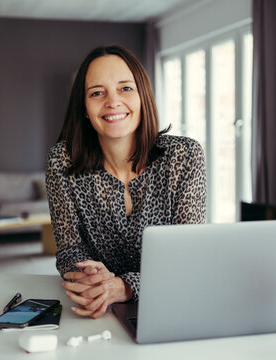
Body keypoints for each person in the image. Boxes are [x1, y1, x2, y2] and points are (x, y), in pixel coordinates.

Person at [46, 45, 206, 319]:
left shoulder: (184, 156)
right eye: (97, 92)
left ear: (143, 96)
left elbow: (188, 258)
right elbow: (69, 248)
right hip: (99, 310)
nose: (112, 102)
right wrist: (90, 275)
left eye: (125, 88)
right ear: (84, 108)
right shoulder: (62, 161)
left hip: (175, 307)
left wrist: (125, 287)